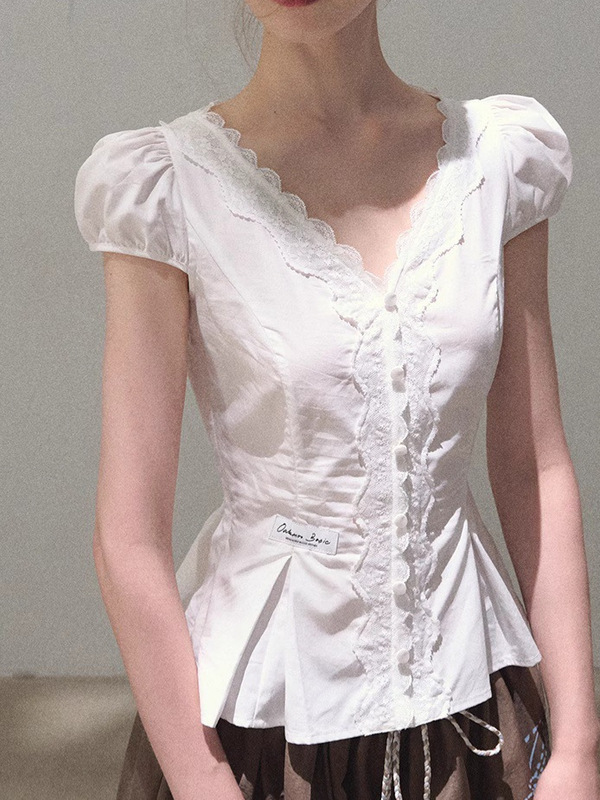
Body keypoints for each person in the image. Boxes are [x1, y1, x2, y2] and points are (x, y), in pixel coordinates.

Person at [73, 0, 600, 798]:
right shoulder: (166, 185)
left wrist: (579, 749)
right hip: (265, 728)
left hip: (472, 698)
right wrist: (201, 782)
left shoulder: (497, 160)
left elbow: (534, 466)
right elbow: (127, 536)